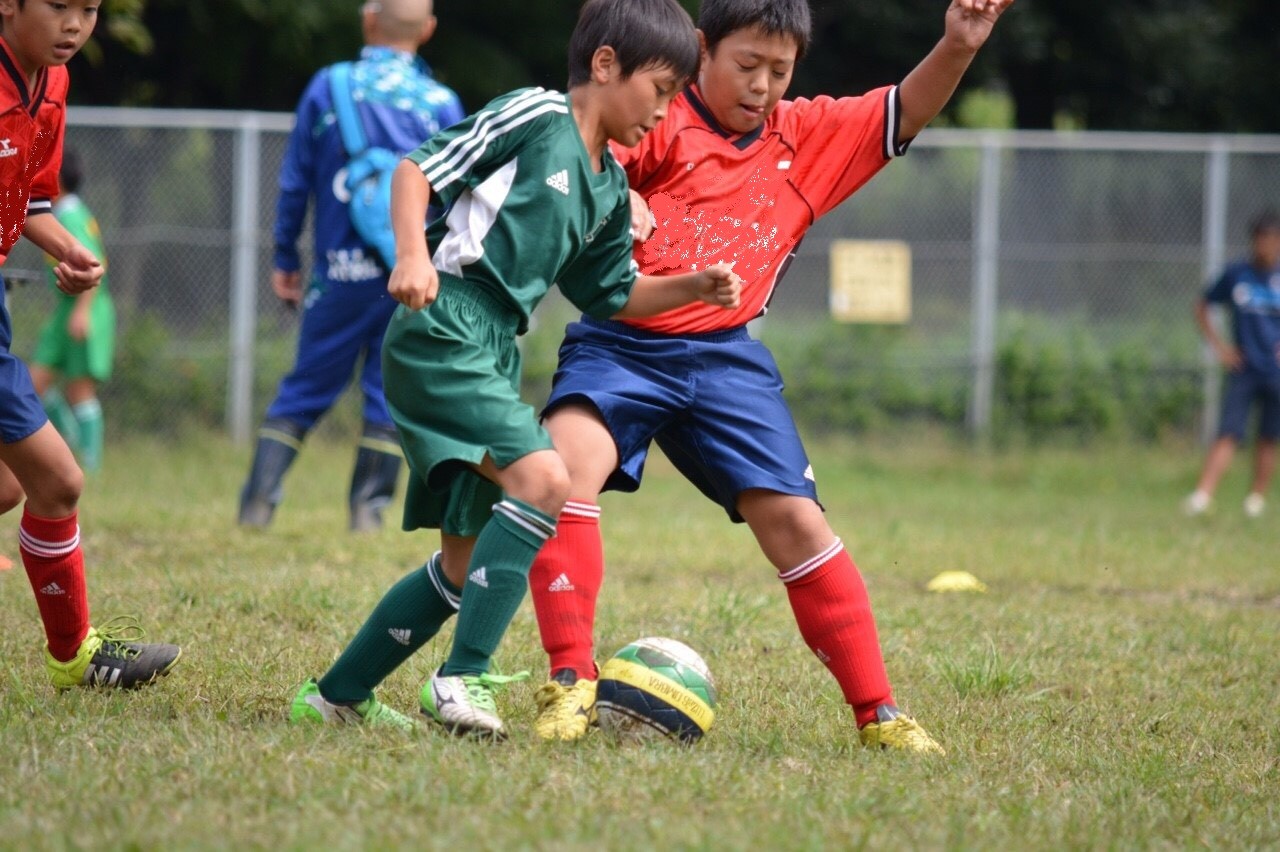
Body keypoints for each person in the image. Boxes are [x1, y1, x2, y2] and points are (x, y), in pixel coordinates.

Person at [526, 0, 1016, 753]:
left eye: (779, 71)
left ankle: (879, 715)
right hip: (620, 342)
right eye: (746, 65)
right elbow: (596, 155)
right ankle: (569, 683)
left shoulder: (807, 136)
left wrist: (958, 44)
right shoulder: (656, 111)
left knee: (798, 523)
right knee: (564, 469)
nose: (761, 86)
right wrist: (617, 199)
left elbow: (905, 109)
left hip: (727, 357)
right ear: (701, 51)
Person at [289, 0, 742, 738]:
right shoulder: (535, 115)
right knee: (546, 478)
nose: (663, 112)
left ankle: (336, 695)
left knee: (464, 569)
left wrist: (692, 285)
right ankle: (462, 678)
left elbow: (613, 294)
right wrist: (409, 255)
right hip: (445, 321)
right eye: (658, 90)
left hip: (496, 345)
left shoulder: (605, 187)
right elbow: (416, 169)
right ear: (604, 66)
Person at [0, 0, 179, 690]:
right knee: (57, 481)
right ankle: (75, 655)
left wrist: (67, 250)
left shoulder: (51, 82)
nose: (75, 24)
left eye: (91, 9)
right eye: (59, 6)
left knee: (13, 483)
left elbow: (33, 203)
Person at [239, 0, 464, 532]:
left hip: (337, 274)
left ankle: (257, 506)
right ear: (428, 31)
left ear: (368, 21)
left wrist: (285, 256)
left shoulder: (329, 85)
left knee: (305, 387)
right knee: (390, 392)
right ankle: (369, 513)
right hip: (411, 277)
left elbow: (295, 180)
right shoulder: (442, 103)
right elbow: (459, 197)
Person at [1183, 210, 1280, 518]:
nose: (1264, 245)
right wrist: (1221, 348)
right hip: (1245, 368)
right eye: (1259, 239)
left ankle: (1256, 499)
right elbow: (1202, 305)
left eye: (1270, 239)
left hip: (1276, 371)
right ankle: (1203, 495)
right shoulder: (1237, 273)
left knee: (1269, 435)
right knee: (1228, 431)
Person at [27, 149, 114, 474]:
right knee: (35, 383)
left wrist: (82, 311)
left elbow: (96, 263)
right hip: (64, 310)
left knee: (80, 389)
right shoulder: (57, 214)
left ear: (57, 179)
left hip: (84, 308)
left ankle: (90, 466)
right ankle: (69, 441)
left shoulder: (73, 216)